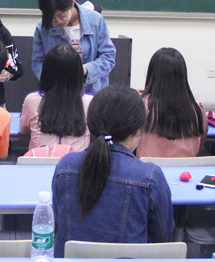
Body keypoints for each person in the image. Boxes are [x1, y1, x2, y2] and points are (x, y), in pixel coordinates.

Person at [51, 85, 175, 257]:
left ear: (90, 124)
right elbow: (163, 240)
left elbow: (58, 224)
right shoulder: (149, 177)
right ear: (138, 130)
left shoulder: (65, 167)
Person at [32, 0, 116, 95]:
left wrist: (84, 70)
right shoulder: (43, 27)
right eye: (51, 17)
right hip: (58, 94)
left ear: (72, 2)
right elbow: (37, 62)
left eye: (61, 15)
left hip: (92, 93)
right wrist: (50, 79)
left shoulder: (95, 21)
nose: (57, 21)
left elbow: (108, 57)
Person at [137, 48, 207, 158]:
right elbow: (201, 141)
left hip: (148, 168)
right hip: (187, 168)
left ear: (152, 74)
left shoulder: (141, 106)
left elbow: (130, 142)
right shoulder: (196, 108)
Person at [20, 44, 91, 152]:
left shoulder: (31, 100)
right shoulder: (90, 102)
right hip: (75, 161)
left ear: (46, 71)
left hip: (38, 160)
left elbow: (23, 130)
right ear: (78, 73)